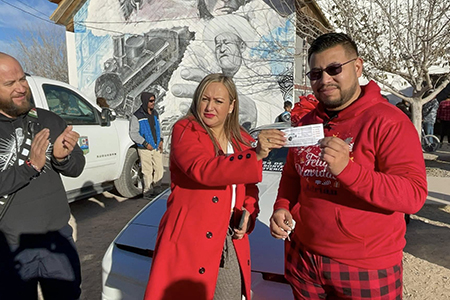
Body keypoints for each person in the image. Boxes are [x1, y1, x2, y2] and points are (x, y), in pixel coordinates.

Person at [269, 33, 427, 299]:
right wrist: (282, 205)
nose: (325, 80)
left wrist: (348, 170)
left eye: (334, 69)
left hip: (364, 265)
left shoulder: (389, 122)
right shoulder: (307, 121)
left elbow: (413, 196)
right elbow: (293, 174)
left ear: (357, 67)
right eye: (316, 74)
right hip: (304, 257)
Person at [144, 73, 285, 300]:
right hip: (190, 238)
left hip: (228, 237)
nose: (210, 107)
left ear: (231, 106)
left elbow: (250, 187)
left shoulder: (240, 137)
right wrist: (255, 154)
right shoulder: (185, 130)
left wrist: (249, 210)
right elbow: (203, 169)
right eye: (204, 99)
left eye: (218, 101)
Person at [0, 52, 85, 299]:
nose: (21, 88)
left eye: (22, 79)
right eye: (10, 84)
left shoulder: (48, 119)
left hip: (57, 241)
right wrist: (30, 166)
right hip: (11, 248)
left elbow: (77, 166)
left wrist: (62, 158)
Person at [129, 92, 164, 198]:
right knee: (147, 170)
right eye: (151, 101)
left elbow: (158, 128)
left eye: (154, 100)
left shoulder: (155, 113)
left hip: (156, 146)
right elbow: (133, 133)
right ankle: (148, 192)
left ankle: (157, 189)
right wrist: (144, 143)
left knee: (159, 168)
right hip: (145, 148)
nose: (153, 103)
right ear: (145, 101)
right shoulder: (137, 116)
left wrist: (161, 140)